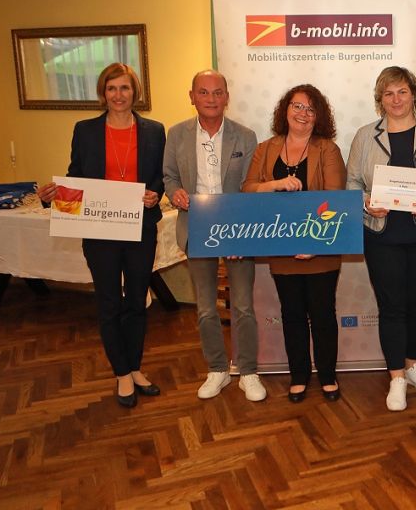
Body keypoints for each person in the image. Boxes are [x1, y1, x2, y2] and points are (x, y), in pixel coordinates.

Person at [37, 62, 165, 408]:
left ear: (134, 92)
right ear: (102, 93)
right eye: (111, 88)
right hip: (98, 229)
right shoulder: (85, 131)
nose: (118, 95)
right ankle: (121, 372)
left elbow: (159, 176)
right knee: (109, 302)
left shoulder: (154, 131)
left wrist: (155, 193)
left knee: (137, 300)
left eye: (124, 88)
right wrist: (53, 196)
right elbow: (76, 176)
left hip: (139, 227)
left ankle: (135, 367)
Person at [346, 66, 416, 412]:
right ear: (380, 99)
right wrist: (366, 202)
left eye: (402, 92)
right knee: (392, 306)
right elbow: (352, 183)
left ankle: (412, 364)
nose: (396, 100)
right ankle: (396, 377)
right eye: (389, 93)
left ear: (413, 95)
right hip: (382, 235)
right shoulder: (365, 136)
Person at [162, 70, 266, 402]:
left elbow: (250, 186)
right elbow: (169, 176)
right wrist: (175, 193)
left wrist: (239, 236)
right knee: (206, 308)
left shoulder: (245, 136)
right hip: (197, 227)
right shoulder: (176, 134)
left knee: (244, 306)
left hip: (237, 229)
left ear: (227, 97)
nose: (211, 99)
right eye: (204, 92)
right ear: (192, 96)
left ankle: (247, 371)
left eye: (218, 92)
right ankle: (217, 369)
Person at [242, 84, 346, 404]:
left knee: (323, 313)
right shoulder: (265, 148)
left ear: (319, 116)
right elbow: (247, 189)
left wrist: (315, 244)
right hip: (281, 246)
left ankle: (327, 375)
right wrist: (275, 184)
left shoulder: (327, 149)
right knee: (292, 314)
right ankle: (299, 375)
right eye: (297, 106)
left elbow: (335, 200)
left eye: (310, 109)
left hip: (320, 248)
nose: (303, 113)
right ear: (285, 110)